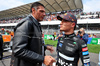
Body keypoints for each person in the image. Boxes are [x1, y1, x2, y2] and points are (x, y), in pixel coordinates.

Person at [10, 2, 55, 66]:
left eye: (44, 12)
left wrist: (45, 47)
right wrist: (42, 59)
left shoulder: (36, 24)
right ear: (33, 10)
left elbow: (32, 44)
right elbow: (18, 50)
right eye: (41, 11)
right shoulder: (27, 23)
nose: (44, 14)